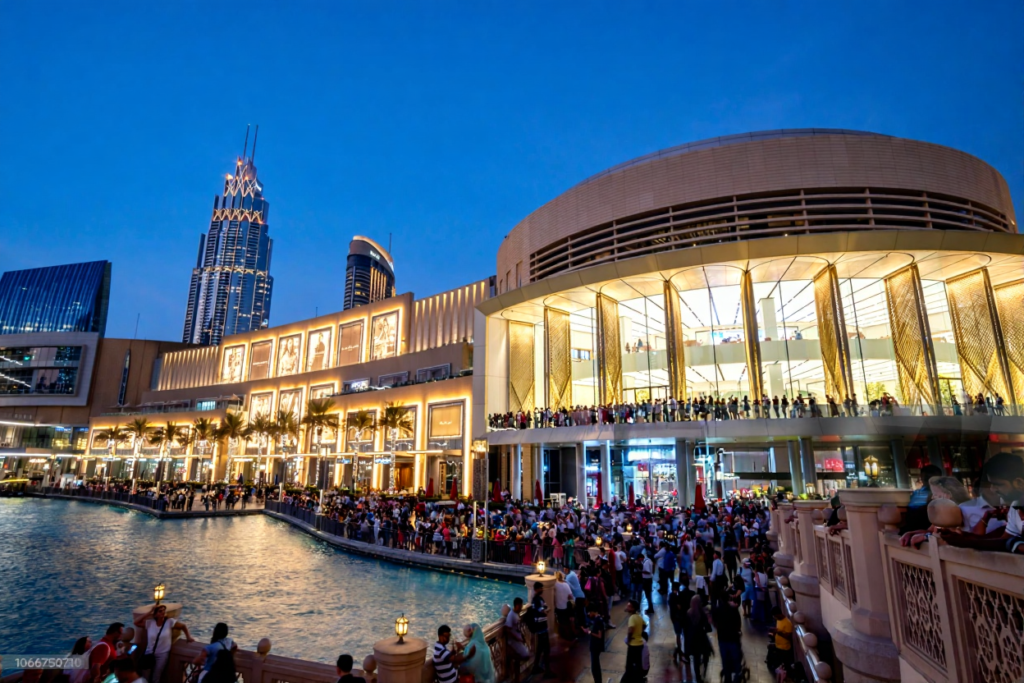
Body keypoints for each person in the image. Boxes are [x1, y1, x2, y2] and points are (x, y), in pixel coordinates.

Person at [940, 453, 1024, 554]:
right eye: (991, 484)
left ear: (1019, 483)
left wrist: (966, 541)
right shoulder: (1015, 506)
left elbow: (1007, 543)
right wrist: (964, 537)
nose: (993, 489)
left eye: (998, 484)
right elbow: (1004, 540)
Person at [135, 604, 194, 683]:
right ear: (155, 614)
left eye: (163, 611)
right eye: (160, 611)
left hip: (162, 654)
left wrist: (188, 637)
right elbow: (136, 622)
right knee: (146, 676)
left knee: (156, 677)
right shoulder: (150, 623)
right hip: (149, 653)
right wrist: (150, 612)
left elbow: (183, 626)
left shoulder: (169, 622)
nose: (163, 612)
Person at [712, 589, 744, 683]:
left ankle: (727, 678)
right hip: (733, 638)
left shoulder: (717, 610)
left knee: (725, 660)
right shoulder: (733, 609)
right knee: (736, 658)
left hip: (722, 638)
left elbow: (715, 623)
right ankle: (737, 677)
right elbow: (738, 624)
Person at [682, 595, 711, 683]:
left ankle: (697, 677)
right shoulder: (702, 613)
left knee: (695, 659)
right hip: (702, 638)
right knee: (706, 654)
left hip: (693, 639)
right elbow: (708, 628)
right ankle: (704, 670)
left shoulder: (688, 613)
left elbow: (685, 628)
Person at [529, 582, 554, 677]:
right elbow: (544, 611)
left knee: (540, 648)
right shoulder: (537, 600)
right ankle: (547, 671)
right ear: (536, 589)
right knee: (546, 649)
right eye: (540, 588)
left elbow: (546, 608)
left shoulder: (539, 599)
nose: (542, 590)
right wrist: (546, 610)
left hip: (541, 626)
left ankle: (535, 667)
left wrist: (546, 610)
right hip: (541, 627)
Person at [504, 599, 530, 681]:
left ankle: (516, 675)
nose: (522, 607)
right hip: (513, 642)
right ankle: (513, 659)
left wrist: (522, 636)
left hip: (518, 641)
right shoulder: (511, 615)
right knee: (525, 656)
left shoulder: (516, 614)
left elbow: (517, 628)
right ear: (517, 606)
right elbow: (507, 629)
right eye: (521, 606)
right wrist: (517, 638)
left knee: (521, 658)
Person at [621, 600, 646, 683]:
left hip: (633, 645)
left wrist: (629, 639)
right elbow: (645, 625)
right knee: (638, 665)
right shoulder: (639, 617)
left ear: (632, 609)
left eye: (628, 606)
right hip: (640, 644)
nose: (627, 607)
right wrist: (639, 632)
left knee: (629, 666)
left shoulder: (631, 618)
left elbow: (630, 630)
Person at [581, 604, 605, 683]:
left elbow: (599, 635)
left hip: (596, 645)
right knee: (595, 665)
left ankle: (598, 681)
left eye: (589, 612)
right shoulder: (597, 619)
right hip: (595, 645)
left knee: (595, 666)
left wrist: (589, 632)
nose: (589, 614)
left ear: (593, 611)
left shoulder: (598, 620)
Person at [553, 571, 575, 639]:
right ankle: (569, 636)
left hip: (559, 607)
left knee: (561, 622)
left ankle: (564, 636)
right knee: (566, 622)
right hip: (566, 606)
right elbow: (570, 596)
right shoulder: (566, 584)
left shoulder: (555, 584)